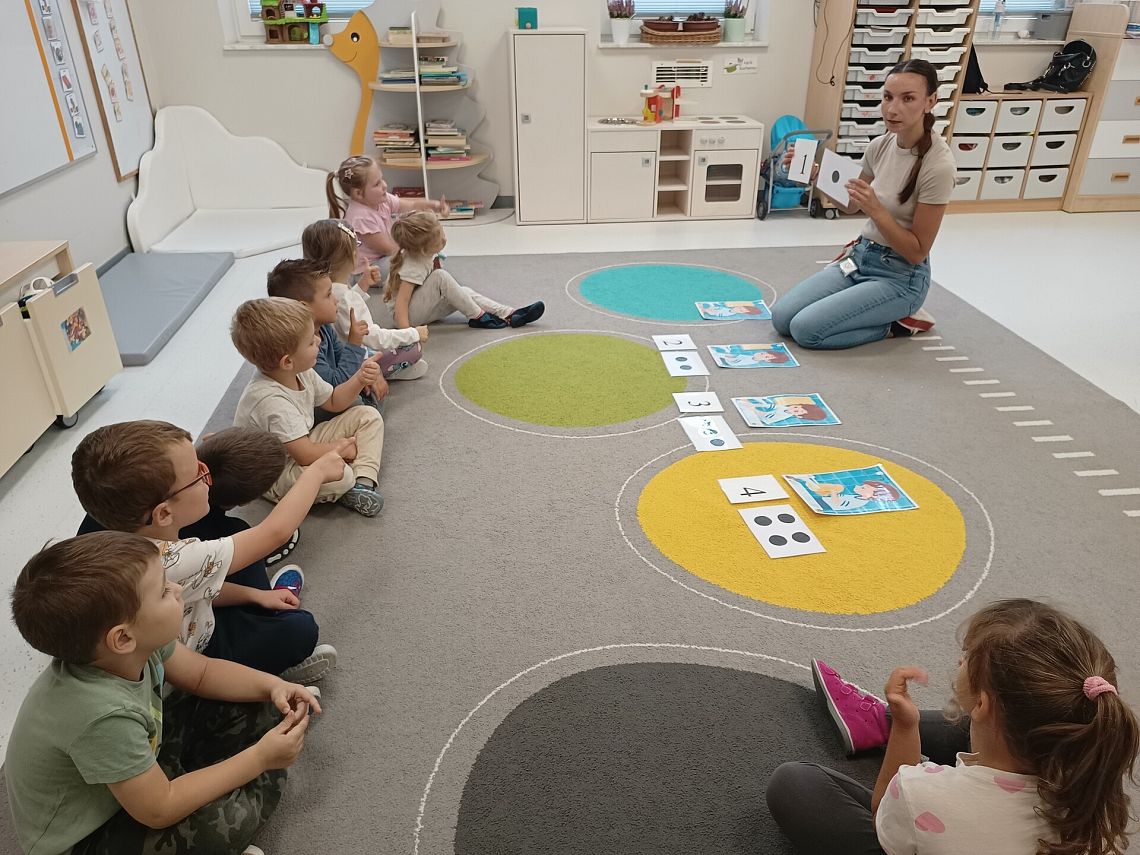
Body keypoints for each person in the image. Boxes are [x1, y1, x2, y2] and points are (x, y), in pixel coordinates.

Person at [5, 532, 320, 855]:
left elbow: (202, 673)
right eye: (163, 590)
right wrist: (259, 758)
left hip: (133, 771)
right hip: (89, 836)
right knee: (220, 829)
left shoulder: (135, 644)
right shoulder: (100, 715)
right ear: (122, 638)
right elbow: (159, 809)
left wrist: (273, 686)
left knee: (258, 703)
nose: (178, 589)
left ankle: (232, 771)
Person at [766, 599, 1140, 855]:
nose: (960, 661)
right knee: (969, 730)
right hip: (1003, 765)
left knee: (795, 784)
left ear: (982, 703)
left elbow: (884, 817)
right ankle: (879, 721)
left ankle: (887, 721)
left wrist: (906, 730)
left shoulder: (919, 790)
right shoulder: (1089, 780)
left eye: (966, 658)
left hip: (926, 816)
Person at [71, 421, 342, 684]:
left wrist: (256, 595)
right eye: (200, 474)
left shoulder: (111, 518)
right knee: (299, 629)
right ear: (163, 513)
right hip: (197, 649)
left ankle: (261, 607)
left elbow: (189, 580)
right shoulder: (167, 560)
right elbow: (275, 532)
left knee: (239, 543)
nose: (207, 477)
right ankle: (261, 683)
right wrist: (316, 472)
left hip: (180, 609)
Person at [771, 59, 953, 349]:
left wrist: (877, 210)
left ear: (930, 101)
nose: (892, 109)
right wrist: (815, 174)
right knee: (782, 319)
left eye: (908, 99)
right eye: (888, 97)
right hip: (860, 257)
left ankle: (899, 322)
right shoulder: (881, 145)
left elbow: (917, 251)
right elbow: (850, 205)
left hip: (901, 277)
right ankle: (869, 308)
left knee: (806, 331)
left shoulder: (938, 166)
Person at [230, 296, 386, 516]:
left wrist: (359, 378)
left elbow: (334, 401)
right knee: (341, 475)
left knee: (368, 415)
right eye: (311, 342)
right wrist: (340, 448)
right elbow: (305, 455)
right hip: (274, 473)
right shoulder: (271, 401)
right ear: (287, 361)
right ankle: (349, 481)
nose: (319, 341)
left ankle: (363, 483)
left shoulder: (300, 371)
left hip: (299, 444)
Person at [300, 218, 429, 381]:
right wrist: (413, 333)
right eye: (358, 245)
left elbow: (345, 307)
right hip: (356, 358)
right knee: (413, 347)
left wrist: (363, 285)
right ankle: (382, 372)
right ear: (353, 255)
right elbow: (372, 336)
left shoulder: (327, 292)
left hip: (344, 351)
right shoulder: (343, 297)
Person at [266, 257, 390, 411]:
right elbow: (334, 387)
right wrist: (354, 344)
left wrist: (364, 375)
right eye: (329, 295)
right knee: (362, 403)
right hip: (322, 405)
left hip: (336, 392)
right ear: (304, 308)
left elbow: (342, 359)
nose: (336, 300)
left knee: (368, 383)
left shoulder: (324, 327)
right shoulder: (302, 349)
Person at [386, 211, 544, 330]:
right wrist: (407, 335)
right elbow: (402, 302)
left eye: (442, 233)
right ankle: (479, 317)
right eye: (439, 241)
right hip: (405, 317)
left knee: (464, 292)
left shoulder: (423, 252)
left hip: (421, 307)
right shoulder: (413, 265)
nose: (445, 240)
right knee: (441, 277)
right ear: (423, 249)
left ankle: (508, 314)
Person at [326, 154, 450, 278]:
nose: (384, 185)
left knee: (423, 249)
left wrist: (435, 205)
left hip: (385, 258)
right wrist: (418, 249)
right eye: (377, 184)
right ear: (358, 193)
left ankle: (425, 270)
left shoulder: (380, 199)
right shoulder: (360, 217)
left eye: (382, 179)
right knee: (413, 261)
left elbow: (411, 205)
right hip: (368, 270)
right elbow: (388, 249)